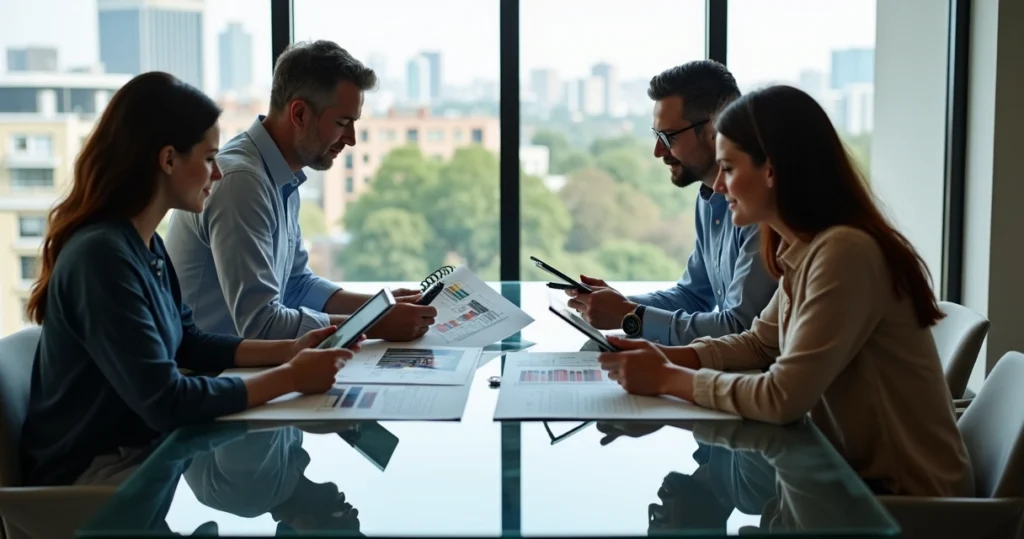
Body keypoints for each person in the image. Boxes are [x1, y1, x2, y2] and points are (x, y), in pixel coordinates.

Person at [596, 85, 974, 497]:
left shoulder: (845, 253)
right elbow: (761, 345)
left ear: (771, 170)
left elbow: (782, 397)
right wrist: (669, 357)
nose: (718, 186)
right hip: (846, 485)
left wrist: (669, 379)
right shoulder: (805, 246)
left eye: (729, 168)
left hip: (902, 503)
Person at [20, 72, 354, 488]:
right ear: (168, 160)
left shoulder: (145, 247)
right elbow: (167, 401)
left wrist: (290, 349)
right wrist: (292, 376)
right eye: (210, 159)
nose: (217, 175)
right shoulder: (101, 259)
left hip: (144, 452)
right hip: (96, 478)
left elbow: (190, 341)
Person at [164, 40, 436, 342]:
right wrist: (374, 324)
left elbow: (296, 285)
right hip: (211, 376)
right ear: (300, 114)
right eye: (342, 123)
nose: (351, 139)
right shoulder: (241, 182)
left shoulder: (280, 173)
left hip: (244, 369)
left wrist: (379, 308)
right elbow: (261, 324)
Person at [567, 61, 776, 346]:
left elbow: (741, 327)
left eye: (668, 137)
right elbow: (693, 295)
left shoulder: (762, 208)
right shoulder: (708, 199)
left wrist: (631, 315)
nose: (658, 151)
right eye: (656, 136)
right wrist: (619, 304)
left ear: (714, 127)